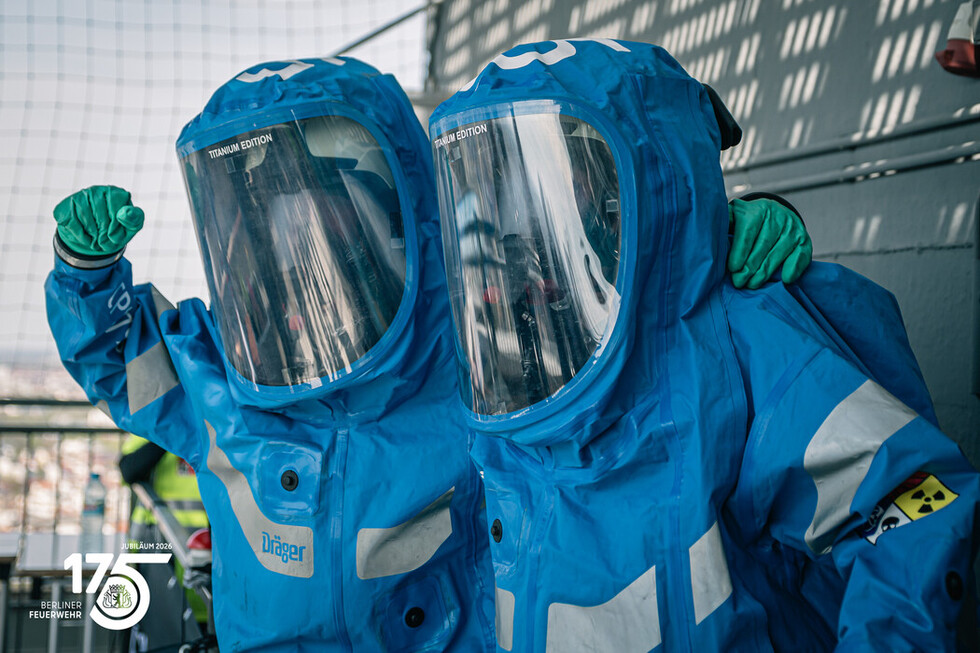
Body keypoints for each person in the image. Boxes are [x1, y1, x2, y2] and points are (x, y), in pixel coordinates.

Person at [46, 56, 810, 650]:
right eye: (276, 224)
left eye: (329, 220)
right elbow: (121, 360)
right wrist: (86, 277)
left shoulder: (487, 357)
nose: (303, 253)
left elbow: (610, 308)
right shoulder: (216, 374)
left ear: (400, 211)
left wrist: (710, 233)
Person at [430, 39, 980, 651]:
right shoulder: (509, 362)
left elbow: (914, 508)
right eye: (506, 185)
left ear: (638, 181)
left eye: (559, 182)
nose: (524, 218)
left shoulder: (740, 342)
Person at [118, 435, 210, 651]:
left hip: (213, 558)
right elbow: (129, 470)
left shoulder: (219, 424)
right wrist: (170, 431)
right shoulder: (153, 423)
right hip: (161, 558)